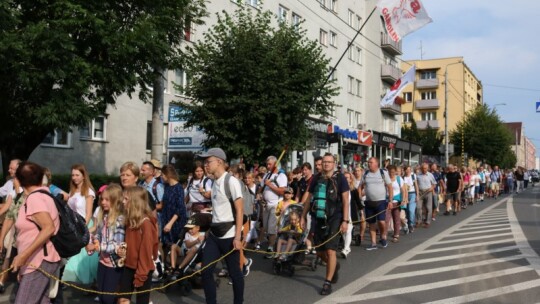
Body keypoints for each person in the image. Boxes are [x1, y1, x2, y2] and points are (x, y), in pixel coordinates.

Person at [199, 148, 244, 304]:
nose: (205, 165)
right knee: (205, 271)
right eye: (204, 162)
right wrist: (210, 229)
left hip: (230, 235)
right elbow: (218, 209)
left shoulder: (231, 181)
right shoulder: (213, 182)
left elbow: (239, 210)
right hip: (214, 234)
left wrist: (238, 237)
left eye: (208, 161)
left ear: (219, 161)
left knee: (234, 273)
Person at [12, 162, 61, 304]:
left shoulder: (35, 198)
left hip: (39, 259)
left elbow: (48, 228)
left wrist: (23, 256)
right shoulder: (43, 194)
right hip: (38, 259)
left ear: (19, 180)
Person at [300, 153, 349, 296]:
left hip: (335, 218)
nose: (326, 164)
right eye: (324, 162)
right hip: (318, 217)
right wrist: (303, 217)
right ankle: (334, 266)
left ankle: (327, 283)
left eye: (329, 162)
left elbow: (346, 200)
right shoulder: (316, 178)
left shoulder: (340, 178)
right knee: (320, 252)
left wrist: (345, 221)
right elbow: (309, 199)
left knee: (330, 250)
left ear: (334, 164)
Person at [118, 186, 158, 304]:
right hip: (129, 266)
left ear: (135, 202)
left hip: (143, 269)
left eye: (126, 199)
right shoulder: (130, 221)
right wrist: (122, 251)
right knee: (123, 300)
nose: (123, 202)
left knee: (142, 301)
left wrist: (141, 275)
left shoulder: (145, 224)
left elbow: (147, 251)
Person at [87, 183, 126, 304]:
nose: (103, 202)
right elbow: (99, 233)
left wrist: (97, 246)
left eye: (107, 200)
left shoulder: (120, 219)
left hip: (113, 264)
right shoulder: (103, 216)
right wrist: (93, 240)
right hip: (102, 261)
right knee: (101, 295)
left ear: (115, 201)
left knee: (108, 298)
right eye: (102, 199)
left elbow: (117, 244)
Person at [63, 164, 98, 285]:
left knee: (87, 257)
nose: (74, 177)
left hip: (84, 226)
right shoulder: (72, 191)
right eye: (72, 175)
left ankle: (92, 283)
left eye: (77, 175)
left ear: (84, 176)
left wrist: (83, 229)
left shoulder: (89, 191)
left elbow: (88, 213)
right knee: (74, 256)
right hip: (73, 226)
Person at [360, 157, 393, 250]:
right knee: (371, 223)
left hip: (381, 201)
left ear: (376, 164)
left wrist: (390, 200)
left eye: (371, 162)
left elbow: (390, 187)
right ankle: (373, 244)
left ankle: (383, 235)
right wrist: (359, 198)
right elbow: (360, 186)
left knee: (381, 222)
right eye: (368, 162)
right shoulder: (366, 173)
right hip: (369, 202)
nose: (368, 163)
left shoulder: (383, 173)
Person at [160, 165, 188, 275]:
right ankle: (168, 267)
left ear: (167, 175)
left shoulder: (178, 188)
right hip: (166, 217)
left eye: (162, 175)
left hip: (176, 221)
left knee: (174, 244)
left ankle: (175, 268)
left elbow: (180, 208)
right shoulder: (167, 187)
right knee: (165, 244)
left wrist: (170, 223)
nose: (162, 177)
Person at [257, 155, 287, 258]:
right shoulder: (266, 175)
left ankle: (271, 247)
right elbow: (261, 187)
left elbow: (283, 191)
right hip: (266, 205)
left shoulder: (281, 176)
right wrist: (259, 193)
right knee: (265, 227)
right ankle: (273, 244)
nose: (268, 166)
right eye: (267, 164)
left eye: (270, 164)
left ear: (275, 164)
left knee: (272, 228)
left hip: (276, 205)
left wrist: (270, 185)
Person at [387, 165, 406, 242]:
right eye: (389, 172)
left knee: (396, 218)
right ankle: (384, 236)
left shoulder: (399, 179)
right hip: (387, 201)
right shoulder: (386, 179)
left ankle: (396, 235)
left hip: (397, 201)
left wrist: (403, 200)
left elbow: (403, 190)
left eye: (393, 172)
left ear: (395, 171)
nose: (391, 173)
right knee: (386, 219)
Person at [341, 172, 358, 257]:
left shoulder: (352, 189)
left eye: (347, 177)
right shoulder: (341, 188)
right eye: (344, 177)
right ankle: (346, 246)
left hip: (349, 214)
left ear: (350, 179)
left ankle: (346, 248)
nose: (346, 179)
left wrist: (361, 213)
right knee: (343, 232)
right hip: (340, 213)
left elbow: (356, 202)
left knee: (348, 231)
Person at [402, 165, 418, 233]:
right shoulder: (403, 177)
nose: (408, 171)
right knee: (407, 210)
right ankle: (409, 223)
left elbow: (416, 185)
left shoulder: (413, 176)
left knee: (411, 210)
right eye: (407, 169)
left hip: (412, 194)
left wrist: (417, 195)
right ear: (405, 170)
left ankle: (411, 224)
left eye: (409, 169)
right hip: (405, 195)